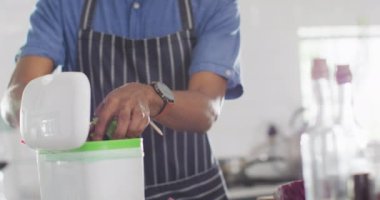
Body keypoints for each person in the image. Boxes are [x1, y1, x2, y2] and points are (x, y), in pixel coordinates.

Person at [1, 0, 243, 199]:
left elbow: (206, 109)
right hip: (96, 192)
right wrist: (47, 116)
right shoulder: (63, 5)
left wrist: (152, 96)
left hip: (192, 192)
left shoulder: (212, 4)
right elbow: (14, 100)